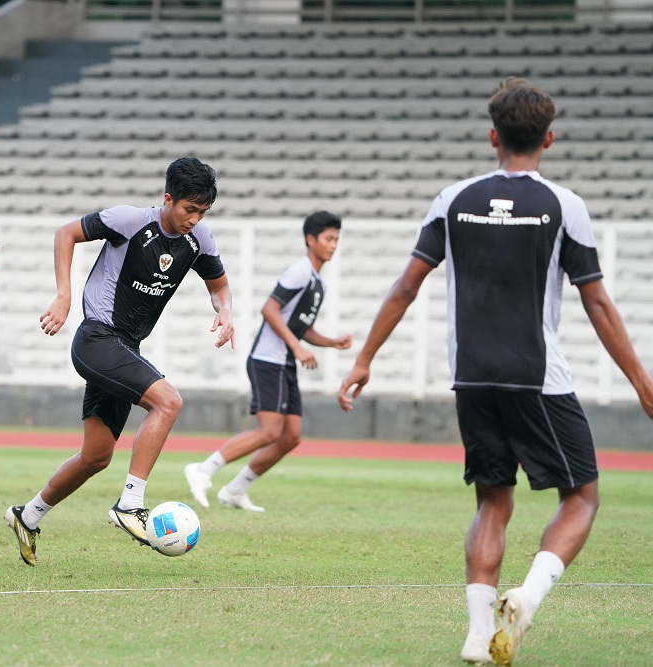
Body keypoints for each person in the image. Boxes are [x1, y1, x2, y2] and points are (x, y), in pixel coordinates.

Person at [336, 78, 653, 666]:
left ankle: (479, 636)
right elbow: (599, 304)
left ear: (492, 137)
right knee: (582, 495)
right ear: (549, 139)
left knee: (492, 500)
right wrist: (641, 381)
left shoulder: (453, 199)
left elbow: (407, 285)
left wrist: (363, 359)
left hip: (471, 375)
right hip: (539, 376)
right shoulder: (564, 206)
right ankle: (527, 599)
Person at [5, 156, 235, 566]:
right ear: (168, 199)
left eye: (202, 212)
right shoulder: (128, 220)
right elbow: (65, 233)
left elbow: (219, 285)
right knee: (169, 401)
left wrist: (225, 311)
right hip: (97, 338)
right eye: (189, 209)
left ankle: (29, 514)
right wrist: (64, 295)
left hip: (126, 347)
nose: (194, 219)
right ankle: (130, 504)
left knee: (96, 456)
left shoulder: (200, 239)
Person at [184, 211, 351, 513]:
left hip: (284, 363)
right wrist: (297, 348)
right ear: (310, 240)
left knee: (290, 436)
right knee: (269, 431)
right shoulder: (299, 272)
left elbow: (300, 327)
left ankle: (235, 490)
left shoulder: (317, 283)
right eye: (328, 239)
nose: (333, 245)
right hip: (267, 360)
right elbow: (270, 310)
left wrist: (331, 342)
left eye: (336, 239)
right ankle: (202, 469)